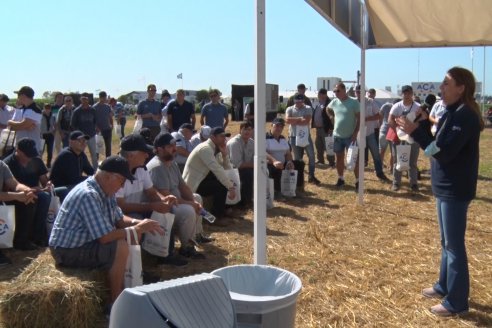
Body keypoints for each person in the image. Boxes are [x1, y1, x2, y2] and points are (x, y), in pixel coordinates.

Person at [396, 67, 484, 317]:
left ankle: (457, 302)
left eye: (446, 83)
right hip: (445, 186)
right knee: (446, 242)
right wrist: (421, 128)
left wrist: (416, 132)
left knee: (454, 245)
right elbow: (436, 146)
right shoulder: (451, 112)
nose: (441, 88)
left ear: (461, 88)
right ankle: (444, 285)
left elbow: (442, 152)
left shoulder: (465, 115)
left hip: (455, 187)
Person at [49, 156, 164, 310]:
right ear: (109, 176)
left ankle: (133, 280)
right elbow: (105, 237)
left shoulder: (105, 191)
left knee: (128, 236)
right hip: (67, 251)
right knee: (120, 245)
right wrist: (135, 229)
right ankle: (115, 303)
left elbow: (119, 219)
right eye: (122, 181)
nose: (122, 186)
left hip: (82, 244)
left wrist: (139, 224)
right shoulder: (88, 195)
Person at [147, 133, 208, 258]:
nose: (175, 148)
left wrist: (193, 201)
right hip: (163, 206)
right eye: (170, 146)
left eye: (175, 145)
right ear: (159, 149)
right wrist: (191, 204)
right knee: (188, 210)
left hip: (175, 201)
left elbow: (182, 186)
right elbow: (166, 196)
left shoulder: (171, 162)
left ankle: (196, 236)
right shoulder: (157, 166)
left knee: (197, 198)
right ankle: (186, 248)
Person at [4, 138, 51, 248]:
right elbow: (7, 188)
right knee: (30, 200)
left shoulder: (37, 160)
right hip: (14, 196)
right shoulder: (8, 164)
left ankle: (38, 236)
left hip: (34, 192)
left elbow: (44, 181)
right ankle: (22, 239)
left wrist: (48, 185)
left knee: (45, 197)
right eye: (27, 155)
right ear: (18, 151)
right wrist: (27, 191)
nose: (30, 158)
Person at [183, 127, 236, 224]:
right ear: (212, 137)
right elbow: (217, 170)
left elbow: (227, 170)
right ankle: (216, 218)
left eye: (225, 137)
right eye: (221, 136)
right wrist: (230, 187)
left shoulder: (216, 149)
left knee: (224, 182)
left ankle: (223, 211)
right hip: (193, 184)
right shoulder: (205, 149)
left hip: (202, 180)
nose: (224, 139)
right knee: (221, 186)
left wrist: (225, 155)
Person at [0, 155, 39, 265]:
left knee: (29, 201)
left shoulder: (1, 165)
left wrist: (27, 191)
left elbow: (14, 184)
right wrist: (16, 196)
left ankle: (21, 241)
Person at [327, 83, 360, 190]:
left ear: (344, 90)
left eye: (338, 91)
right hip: (337, 136)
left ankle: (358, 181)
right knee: (339, 158)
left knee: (354, 159)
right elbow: (327, 109)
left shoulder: (353, 102)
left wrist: (355, 133)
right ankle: (341, 178)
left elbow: (359, 118)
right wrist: (331, 116)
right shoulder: (334, 102)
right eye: (334, 91)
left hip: (350, 136)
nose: (336, 93)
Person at [388, 85, 421, 192]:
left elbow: (422, 122)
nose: (406, 95)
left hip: (413, 138)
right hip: (399, 138)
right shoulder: (397, 106)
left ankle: (413, 183)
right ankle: (396, 183)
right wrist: (397, 131)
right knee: (397, 160)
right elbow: (390, 120)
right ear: (402, 94)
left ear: (412, 94)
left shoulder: (417, 106)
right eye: (404, 93)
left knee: (412, 162)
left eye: (409, 93)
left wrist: (414, 130)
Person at [354, 86, 389, 181]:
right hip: (357, 134)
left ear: (364, 92)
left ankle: (379, 173)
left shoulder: (370, 101)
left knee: (376, 154)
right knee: (358, 156)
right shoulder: (353, 102)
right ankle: (358, 176)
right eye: (357, 92)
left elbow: (379, 115)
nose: (358, 93)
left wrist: (366, 119)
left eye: (360, 91)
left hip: (370, 133)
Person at [285, 92, 320, 185]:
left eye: (300, 101)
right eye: (297, 101)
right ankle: (299, 178)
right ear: (294, 101)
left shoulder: (308, 108)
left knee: (311, 156)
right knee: (297, 159)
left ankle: (311, 175)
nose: (298, 103)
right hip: (293, 136)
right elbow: (287, 120)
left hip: (305, 136)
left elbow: (306, 121)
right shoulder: (289, 108)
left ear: (303, 101)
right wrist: (300, 118)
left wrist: (295, 120)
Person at [49, 131, 95, 201]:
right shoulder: (66, 155)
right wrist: (93, 179)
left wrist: (99, 177)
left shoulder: (81, 154)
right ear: (71, 142)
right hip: (60, 189)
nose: (83, 143)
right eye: (80, 141)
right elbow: (74, 179)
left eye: (84, 141)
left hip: (71, 186)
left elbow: (90, 171)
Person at [265, 118, 305, 195]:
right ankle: (277, 191)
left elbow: (288, 153)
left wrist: (290, 162)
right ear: (271, 126)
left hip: (283, 163)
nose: (279, 128)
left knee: (300, 163)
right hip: (270, 163)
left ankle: (298, 188)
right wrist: (274, 161)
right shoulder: (265, 138)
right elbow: (264, 153)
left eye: (281, 127)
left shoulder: (283, 138)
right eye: (277, 126)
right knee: (277, 167)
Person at [226, 121, 254, 207]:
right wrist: (255, 165)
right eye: (245, 129)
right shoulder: (234, 143)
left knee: (263, 170)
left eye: (249, 129)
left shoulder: (251, 142)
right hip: (231, 171)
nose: (247, 132)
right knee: (248, 174)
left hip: (246, 168)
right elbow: (237, 165)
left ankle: (257, 197)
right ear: (240, 130)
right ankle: (244, 202)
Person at [8, 86, 42, 151]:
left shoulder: (35, 110)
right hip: (19, 147)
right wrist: (11, 123)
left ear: (23, 96)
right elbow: (10, 127)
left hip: (32, 148)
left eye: (18, 95)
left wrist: (11, 122)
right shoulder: (20, 109)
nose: (17, 98)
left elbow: (22, 125)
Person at [71, 94, 98, 169]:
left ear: (88, 100)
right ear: (81, 100)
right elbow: (73, 124)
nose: (84, 101)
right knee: (80, 154)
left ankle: (95, 169)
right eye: (83, 99)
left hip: (91, 135)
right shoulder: (77, 111)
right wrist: (77, 135)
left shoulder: (93, 110)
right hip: (81, 137)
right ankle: (79, 169)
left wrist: (96, 128)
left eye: (86, 99)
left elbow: (95, 121)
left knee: (93, 154)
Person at [312, 88, 335, 166]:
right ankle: (320, 160)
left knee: (328, 145)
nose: (318, 95)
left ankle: (331, 161)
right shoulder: (318, 103)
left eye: (320, 94)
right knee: (319, 145)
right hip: (318, 129)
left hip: (326, 129)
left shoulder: (329, 103)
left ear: (324, 94)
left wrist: (331, 128)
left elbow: (332, 117)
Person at [94, 91, 113, 159]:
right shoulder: (95, 107)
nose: (105, 99)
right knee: (98, 148)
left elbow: (110, 116)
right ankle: (96, 162)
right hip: (99, 131)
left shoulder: (107, 107)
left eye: (105, 97)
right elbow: (93, 120)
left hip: (107, 129)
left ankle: (108, 161)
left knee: (108, 147)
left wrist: (112, 125)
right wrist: (96, 127)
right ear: (100, 97)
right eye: (103, 97)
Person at [40, 103, 56, 168]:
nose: (47, 110)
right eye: (46, 108)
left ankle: (48, 164)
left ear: (50, 109)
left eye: (49, 108)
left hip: (50, 135)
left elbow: (55, 125)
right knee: (41, 151)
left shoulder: (53, 116)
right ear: (43, 108)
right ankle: (39, 164)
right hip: (42, 135)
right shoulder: (40, 115)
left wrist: (54, 132)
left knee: (50, 151)